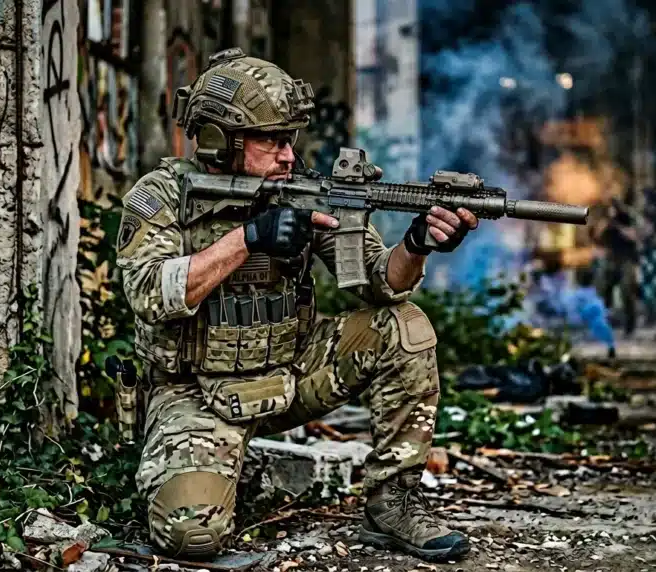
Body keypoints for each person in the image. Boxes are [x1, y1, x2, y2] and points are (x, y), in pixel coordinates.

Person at [115, 48, 477, 563]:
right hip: (195, 390)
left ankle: (392, 503)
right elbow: (150, 291)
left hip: (292, 374)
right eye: (272, 140)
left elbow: (380, 283)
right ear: (220, 138)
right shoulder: (162, 197)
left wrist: (418, 244)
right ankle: (215, 468)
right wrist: (249, 238)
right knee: (191, 538)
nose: (288, 155)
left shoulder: (300, 192)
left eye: (291, 139)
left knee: (403, 326)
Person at [593, 192, 641, 338]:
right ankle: (603, 324)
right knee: (603, 292)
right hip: (610, 259)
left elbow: (634, 236)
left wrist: (617, 226)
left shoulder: (627, 219)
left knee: (627, 292)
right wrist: (605, 225)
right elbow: (597, 237)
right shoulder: (605, 220)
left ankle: (629, 327)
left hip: (626, 260)